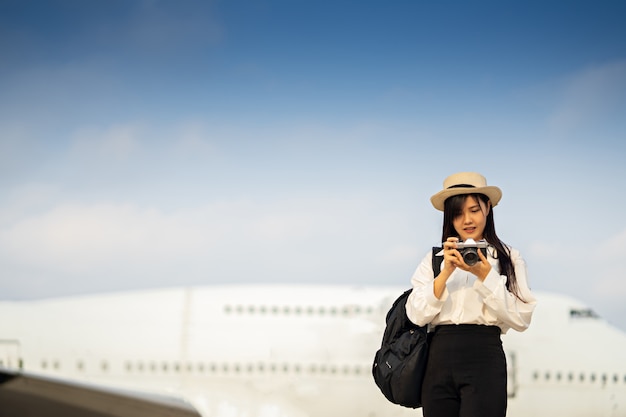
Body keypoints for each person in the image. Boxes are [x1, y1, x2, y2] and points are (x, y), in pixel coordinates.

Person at [405, 172, 536, 417]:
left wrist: (486, 276)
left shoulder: (508, 258)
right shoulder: (434, 259)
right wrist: (445, 273)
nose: (467, 220)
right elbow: (416, 314)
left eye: (474, 209)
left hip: (484, 355)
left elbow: (521, 318)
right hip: (438, 358)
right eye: (458, 213)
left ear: (488, 207)